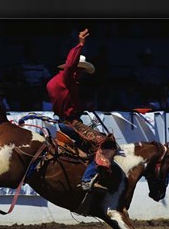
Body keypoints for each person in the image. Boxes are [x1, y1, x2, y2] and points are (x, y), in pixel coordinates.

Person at [46, 29, 117, 192]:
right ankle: (87, 179)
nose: (82, 74)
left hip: (65, 121)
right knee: (108, 144)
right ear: (76, 69)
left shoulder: (57, 83)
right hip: (72, 124)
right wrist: (80, 44)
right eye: (81, 70)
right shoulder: (67, 78)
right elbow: (70, 65)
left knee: (93, 146)